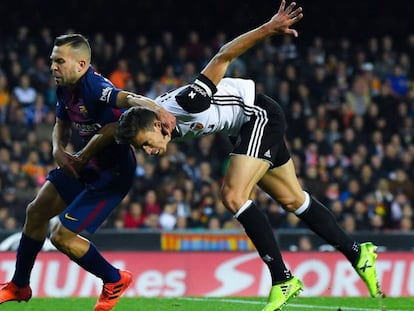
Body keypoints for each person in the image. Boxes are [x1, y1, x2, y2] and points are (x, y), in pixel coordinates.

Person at [116, 1, 383, 310]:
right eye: (142, 149)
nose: (147, 152)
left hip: (258, 115)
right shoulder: (158, 118)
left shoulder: (189, 102)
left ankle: (283, 279)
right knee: (294, 200)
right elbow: (125, 109)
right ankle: (358, 253)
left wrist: (269, 28)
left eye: (145, 143)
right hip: (246, 127)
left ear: (156, 124)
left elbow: (223, 55)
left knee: (232, 195)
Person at [0, 34, 174, 311]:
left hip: (111, 174)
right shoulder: (64, 87)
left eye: (59, 61)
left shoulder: (94, 86)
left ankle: (114, 279)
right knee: (35, 212)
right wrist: (58, 149)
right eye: (52, 61)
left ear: (81, 64)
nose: (53, 67)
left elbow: (125, 101)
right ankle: (19, 285)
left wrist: (156, 108)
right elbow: (61, 123)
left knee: (60, 236)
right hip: (85, 165)